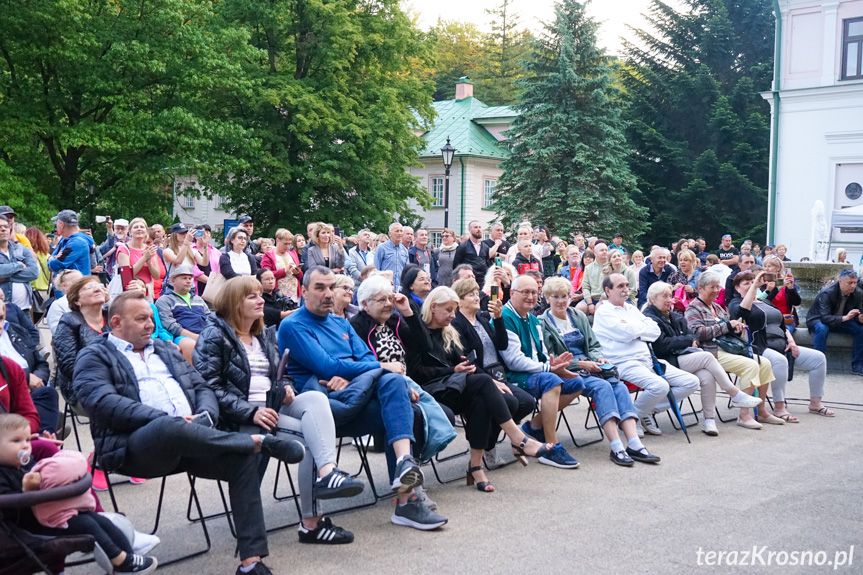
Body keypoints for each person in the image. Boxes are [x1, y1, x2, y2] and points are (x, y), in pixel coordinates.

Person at [74, 290, 305, 575]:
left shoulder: (165, 349)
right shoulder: (94, 355)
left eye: (151, 317)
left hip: (194, 438)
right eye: (141, 319)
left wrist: (206, 416)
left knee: (242, 460)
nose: (150, 324)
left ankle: (251, 562)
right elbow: (102, 403)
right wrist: (168, 419)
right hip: (135, 447)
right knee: (169, 424)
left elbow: (202, 387)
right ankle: (256, 441)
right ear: (116, 323)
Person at [194, 276, 362, 545]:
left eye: (261, 294)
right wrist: (249, 412)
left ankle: (328, 473)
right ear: (234, 302)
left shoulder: (262, 334)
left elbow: (281, 374)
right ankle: (312, 524)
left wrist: (285, 386)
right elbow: (207, 388)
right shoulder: (214, 335)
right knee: (309, 438)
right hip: (237, 418)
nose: (262, 300)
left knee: (314, 401)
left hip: (271, 408)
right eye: (252, 296)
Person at [278, 266, 448, 530]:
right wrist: (375, 368)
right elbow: (327, 366)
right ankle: (407, 491)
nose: (328, 294)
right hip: (324, 411)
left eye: (331, 287)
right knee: (391, 379)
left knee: (398, 391)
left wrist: (359, 373)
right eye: (319, 288)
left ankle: (406, 486)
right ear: (304, 291)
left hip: (356, 396)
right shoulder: (292, 325)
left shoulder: (340, 322)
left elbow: (368, 359)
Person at [409, 285, 558, 490]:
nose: (453, 315)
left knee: (482, 399)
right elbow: (417, 374)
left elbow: (471, 360)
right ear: (433, 307)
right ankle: (518, 439)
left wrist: (469, 372)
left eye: (454, 310)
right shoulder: (419, 333)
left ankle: (476, 466)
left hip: (457, 386)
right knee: (484, 384)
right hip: (431, 390)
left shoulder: (449, 331)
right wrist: (453, 370)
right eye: (449, 310)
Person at [0, 414, 158, 574]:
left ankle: (129, 557)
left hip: (50, 515)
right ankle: (120, 560)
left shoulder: (24, 465)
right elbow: (8, 508)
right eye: (16, 441)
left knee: (99, 520)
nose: (25, 446)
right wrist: (27, 491)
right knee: (86, 525)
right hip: (26, 528)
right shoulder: (2, 474)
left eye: (27, 440)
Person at [538, 277, 660, 464]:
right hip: (566, 371)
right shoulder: (543, 323)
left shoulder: (577, 316)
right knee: (602, 387)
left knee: (618, 386)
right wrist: (580, 365)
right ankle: (617, 447)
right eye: (555, 296)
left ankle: (635, 444)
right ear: (547, 298)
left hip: (591, 365)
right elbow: (550, 357)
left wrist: (597, 358)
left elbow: (594, 344)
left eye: (564, 296)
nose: (561, 301)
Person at [643, 282, 762, 436]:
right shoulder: (649, 317)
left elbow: (692, 336)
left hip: (682, 356)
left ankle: (709, 420)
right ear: (653, 299)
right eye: (664, 296)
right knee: (706, 356)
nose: (669, 300)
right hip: (665, 362)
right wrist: (685, 340)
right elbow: (663, 346)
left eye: (670, 296)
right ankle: (735, 394)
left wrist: (685, 340)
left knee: (707, 375)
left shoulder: (675, 316)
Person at [593, 274, 699, 438]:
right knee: (660, 386)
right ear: (608, 290)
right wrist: (640, 329)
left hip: (648, 360)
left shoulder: (632, 309)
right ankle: (632, 418)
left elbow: (655, 331)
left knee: (691, 382)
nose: (626, 289)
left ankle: (643, 411)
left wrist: (634, 330)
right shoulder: (604, 312)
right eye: (620, 286)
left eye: (627, 285)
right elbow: (625, 333)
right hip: (624, 362)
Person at [449, 278, 537, 469]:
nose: (476, 297)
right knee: (511, 402)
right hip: (478, 378)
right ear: (459, 300)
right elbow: (466, 360)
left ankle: (488, 441)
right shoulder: (457, 323)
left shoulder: (481, 318)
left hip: (498, 374)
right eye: (470, 294)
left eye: (476, 293)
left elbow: (502, 344)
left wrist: (497, 318)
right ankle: (488, 447)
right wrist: (490, 381)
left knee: (527, 402)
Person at [499, 275, 583, 468]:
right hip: (511, 376)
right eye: (525, 292)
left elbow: (541, 353)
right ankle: (551, 447)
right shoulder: (505, 317)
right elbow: (513, 361)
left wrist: (556, 366)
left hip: (533, 372)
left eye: (534, 293)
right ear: (512, 293)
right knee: (550, 381)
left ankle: (534, 427)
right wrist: (549, 369)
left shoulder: (533, 319)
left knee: (577, 383)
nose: (531, 297)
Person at [727, 271, 833, 421]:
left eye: (753, 282)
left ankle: (815, 403)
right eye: (746, 283)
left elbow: (782, 326)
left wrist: (791, 341)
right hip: (758, 347)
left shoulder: (766, 302)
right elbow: (743, 312)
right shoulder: (736, 304)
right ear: (737, 288)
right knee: (779, 360)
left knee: (819, 358)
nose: (751, 285)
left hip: (781, 343)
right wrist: (754, 287)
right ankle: (779, 407)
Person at [685, 272, 776, 429]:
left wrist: (736, 328)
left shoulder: (718, 307)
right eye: (712, 287)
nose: (716, 290)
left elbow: (726, 329)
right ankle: (744, 415)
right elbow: (698, 333)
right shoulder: (693, 308)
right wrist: (727, 325)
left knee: (765, 363)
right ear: (700, 288)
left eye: (717, 287)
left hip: (728, 349)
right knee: (751, 365)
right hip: (711, 352)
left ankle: (761, 411)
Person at [0, 296, 59, 435]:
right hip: (9, 396)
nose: (0, 325)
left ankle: (41, 439)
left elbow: (41, 363)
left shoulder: (15, 329)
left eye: (1, 318)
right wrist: (25, 380)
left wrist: (37, 380)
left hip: (31, 388)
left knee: (47, 393)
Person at [807, 269, 863, 376]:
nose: (853, 286)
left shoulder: (858, 293)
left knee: (860, 330)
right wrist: (846, 318)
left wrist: (860, 318)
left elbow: (858, 311)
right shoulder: (827, 292)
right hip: (818, 318)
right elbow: (825, 318)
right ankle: (818, 364)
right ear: (840, 281)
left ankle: (857, 365)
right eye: (850, 283)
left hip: (842, 319)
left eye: (855, 283)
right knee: (823, 328)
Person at [154, 264, 207, 363]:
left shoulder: (199, 299)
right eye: (184, 278)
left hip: (204, 335)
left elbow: (210, 319)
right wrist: (196, 337)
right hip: (181, 337)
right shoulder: (165, 300)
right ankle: (192, 377)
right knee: (191, 345)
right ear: (173, 281)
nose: (188, 281)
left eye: (190, 278)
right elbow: (170, 326)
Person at [0, 216, 39, 318]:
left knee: (30, 334)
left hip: (24, 310)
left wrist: (5, 277)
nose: (3, 229)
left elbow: (34, 272)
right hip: (2, 311)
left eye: (5, 226)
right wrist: (20, 265)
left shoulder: (21, 249)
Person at [115, 218, 160, 298]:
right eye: (136, 227)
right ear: (130, 232)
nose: (139, 229)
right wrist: (144, 258)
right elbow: (126, 275)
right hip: (131, 292)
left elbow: (157, 276)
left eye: (142, 227)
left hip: (147, 292)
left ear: (146, 231)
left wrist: (149, 262)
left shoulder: (150, 250)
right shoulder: (124, 249)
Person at [47, 210, 94, 278]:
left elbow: (55, 265)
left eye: (56, 223)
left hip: (75, 286)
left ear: (62, 225)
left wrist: (50, 258)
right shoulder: (65, 240)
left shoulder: (76, 243)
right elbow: (53, 258)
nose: (55, 226)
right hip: (66, 285)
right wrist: (52, 258)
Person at [260, 228, 302, 303]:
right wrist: (284, 271)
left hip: (294, 292)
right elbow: (265, 275)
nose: (288, 246)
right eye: (285, 243)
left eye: (289, 244)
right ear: (277, 240)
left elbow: (300, 276)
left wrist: (297, 272)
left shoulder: (292, 254)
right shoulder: (268, 256)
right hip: (278, 293)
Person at [762, 255, 801, 332]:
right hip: (769, 320)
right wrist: (778, 288)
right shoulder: (762, 282)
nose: (766, 269)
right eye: (764, 266)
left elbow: (797, 302)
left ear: (778, 268)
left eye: (769, 266)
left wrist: (791, 288)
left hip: (786, 319)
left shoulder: (785, 281)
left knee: (785, 332)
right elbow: (764, 301)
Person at [25, 227, 52, 320]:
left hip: (30, 294)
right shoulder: (48, 256)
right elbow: (51, 277)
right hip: (44, 294)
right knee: (35, 323)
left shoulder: (27, 256)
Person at [576, 242, 609, 317]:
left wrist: (604, 297)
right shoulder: (588, 268)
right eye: (602, 250)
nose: (604, 252)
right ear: (595, 253)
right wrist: (590, 303)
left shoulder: (611, 267)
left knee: (600, 309)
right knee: (579, 309)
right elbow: (586, 287)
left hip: (606, 299)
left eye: (606, 250)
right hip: (591, 298)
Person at [374, 223, 409, 291]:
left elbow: (406, 270)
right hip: (385, 287)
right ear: (390, 233)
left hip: (400, 288)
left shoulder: (404, 250)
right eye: (397, 231)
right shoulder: (381, 248)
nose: (399, 233)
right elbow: (376, 269)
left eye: (401, 231)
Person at [46, 269, 83, 334]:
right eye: (76, 282)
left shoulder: (89, 301)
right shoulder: (58, 305)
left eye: (82, 281)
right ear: (64, 286)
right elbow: (58, 333)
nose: (81, 285)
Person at [191, 224, 221, 297]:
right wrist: (211, 282)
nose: (206, 235)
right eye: (203, 233)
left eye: (208, 232)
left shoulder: (216, 252)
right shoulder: (190, 249)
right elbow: (194, 271)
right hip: (196, 288)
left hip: (212, 290)